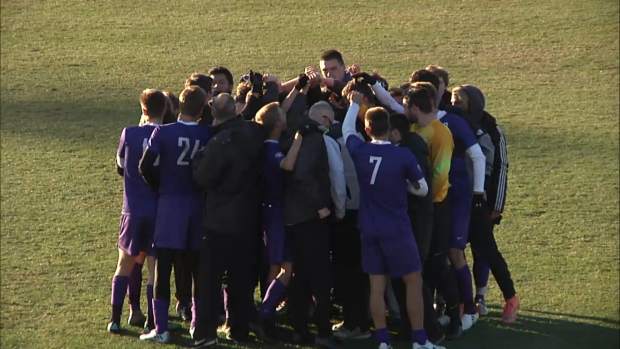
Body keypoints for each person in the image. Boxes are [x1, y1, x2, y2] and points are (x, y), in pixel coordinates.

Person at [343, 91, 443, 349]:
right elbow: (422, 189)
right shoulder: (403, 156)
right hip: (397, 228)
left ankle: (383, 341)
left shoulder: (360, 151)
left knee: (376, 285)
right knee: (413, 282)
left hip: (368, 227)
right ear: (389, 128)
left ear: (367, 128)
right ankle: (420, 341)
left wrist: (354, 105)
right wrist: (403, 187)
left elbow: (346, 131)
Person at [191, 93, 269, 347]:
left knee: (211, 280)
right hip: (248, 218)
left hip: (218, 221)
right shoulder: (254, 134)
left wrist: (197, 160)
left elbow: (203, 178)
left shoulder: (218, 144)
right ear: (236, 110)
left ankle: (206, 332)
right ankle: (239, 328)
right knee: (242, 280)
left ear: (213, 113)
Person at [410, 73, 487, 330]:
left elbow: (478, 156)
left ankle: (470, 308)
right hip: (432, 200)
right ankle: (441, 307)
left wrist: (478, 194)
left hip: (454, 197)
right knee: (434, 256)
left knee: (454, 253)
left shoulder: (451, 124)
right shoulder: (416, 124)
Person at [138, 86, 211, 343]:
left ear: (177, 106)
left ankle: (161, 328)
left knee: (163, 266)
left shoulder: (163, 132)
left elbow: (144, 166)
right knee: (194, 267)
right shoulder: (206, 133)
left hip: (171, 204)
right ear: (202, 109)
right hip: (196, 204)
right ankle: (195, 324)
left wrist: (161, 185)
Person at [452, 84, 519, 324]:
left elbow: (500, 170)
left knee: (485, 251)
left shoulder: (491, 130)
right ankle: (463, 302)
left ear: (473, 103)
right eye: (452, 97)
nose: (454, 102)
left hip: (480, 204)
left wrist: (496, 206)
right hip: (456, 201)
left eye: (458, 99)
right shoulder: (453, 123)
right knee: (454, 251)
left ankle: (508, 297)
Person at [403, 82, 463, 339]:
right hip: (420, 206)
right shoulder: (416, 127)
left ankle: (455, 315)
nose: (404, 109)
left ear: (416, 107)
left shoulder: (441, 134)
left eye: (406, 105)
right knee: (424, 264)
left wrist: (425, 196)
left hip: (437, 206)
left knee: (437, 263)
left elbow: (440, 172)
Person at [283, 100, 343, 349]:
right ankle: (324, 333)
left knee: (300, 276)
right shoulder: (318, 137)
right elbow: (313, 175)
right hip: (311, 217)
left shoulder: (294, 132)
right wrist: (329, 208)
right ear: (325, 120)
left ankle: (299, 329)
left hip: (292, 216)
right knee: (320, 277)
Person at [107, 89, 167, 334]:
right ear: (165, 110)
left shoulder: (128, 133)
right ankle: (151, 321)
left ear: (143, 110)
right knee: (154, 269)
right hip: (158, 211)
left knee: (124, 264)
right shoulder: (167, 135)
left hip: (132, 210)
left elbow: (120, 166)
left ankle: (115, 319)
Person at [388, 113, 444, 344]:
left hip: (415, 222)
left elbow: (420, 187)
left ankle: (429, 330)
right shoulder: (412, 145)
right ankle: (412, 328)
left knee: (412, 279)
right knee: (407, 279)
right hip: (412, 222)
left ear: (395, 132)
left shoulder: (410, 151)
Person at [253, 102, 304, 337]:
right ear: (278, 124)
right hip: (276, 213)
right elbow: (287, 164)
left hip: (267, 210)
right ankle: (265, 312)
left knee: (274, 264)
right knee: (287, 266)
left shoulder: (262, 147)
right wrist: (299, 138)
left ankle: (267, 310)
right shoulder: (272, 150)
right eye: (283, 115)